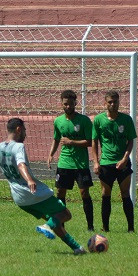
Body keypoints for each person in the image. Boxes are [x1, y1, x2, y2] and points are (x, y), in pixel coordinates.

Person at [0, 117, 86, 255]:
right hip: (33, 193)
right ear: (19, 129)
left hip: (19, 199)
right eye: (24, 130)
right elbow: (21, 165)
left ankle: (77, 248)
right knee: (65, 214)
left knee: (54, 220)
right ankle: (47, 226)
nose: (25, 134)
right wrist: (29, 180)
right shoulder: (18, 146)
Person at [47, 89, 94, 231]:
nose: (68, 107)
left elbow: (90, 142)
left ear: (75, 103)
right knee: (60, 193)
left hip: (80, 164)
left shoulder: (84, 120)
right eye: (65, 104)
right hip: (64, 163)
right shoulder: (58, 121)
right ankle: (61, 225)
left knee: (84, 193)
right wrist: (51, 154)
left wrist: (72, 142)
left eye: (71, 104)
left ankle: (90, 226)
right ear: (61, 103)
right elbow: (56, 140)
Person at [92, 90, 138, 232]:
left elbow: (131, 140)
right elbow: (94, 141)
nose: (113, 104)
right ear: (105, 103)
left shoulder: (126, 120)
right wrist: (95, 161)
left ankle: (131, 228)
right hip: (106, 163)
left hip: (122, 163)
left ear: (119, 102)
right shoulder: (98, 120)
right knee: (105, 194)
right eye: (110, 102)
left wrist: (125, 158)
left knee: (125, 193)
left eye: (115, 101)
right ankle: (105, 228)